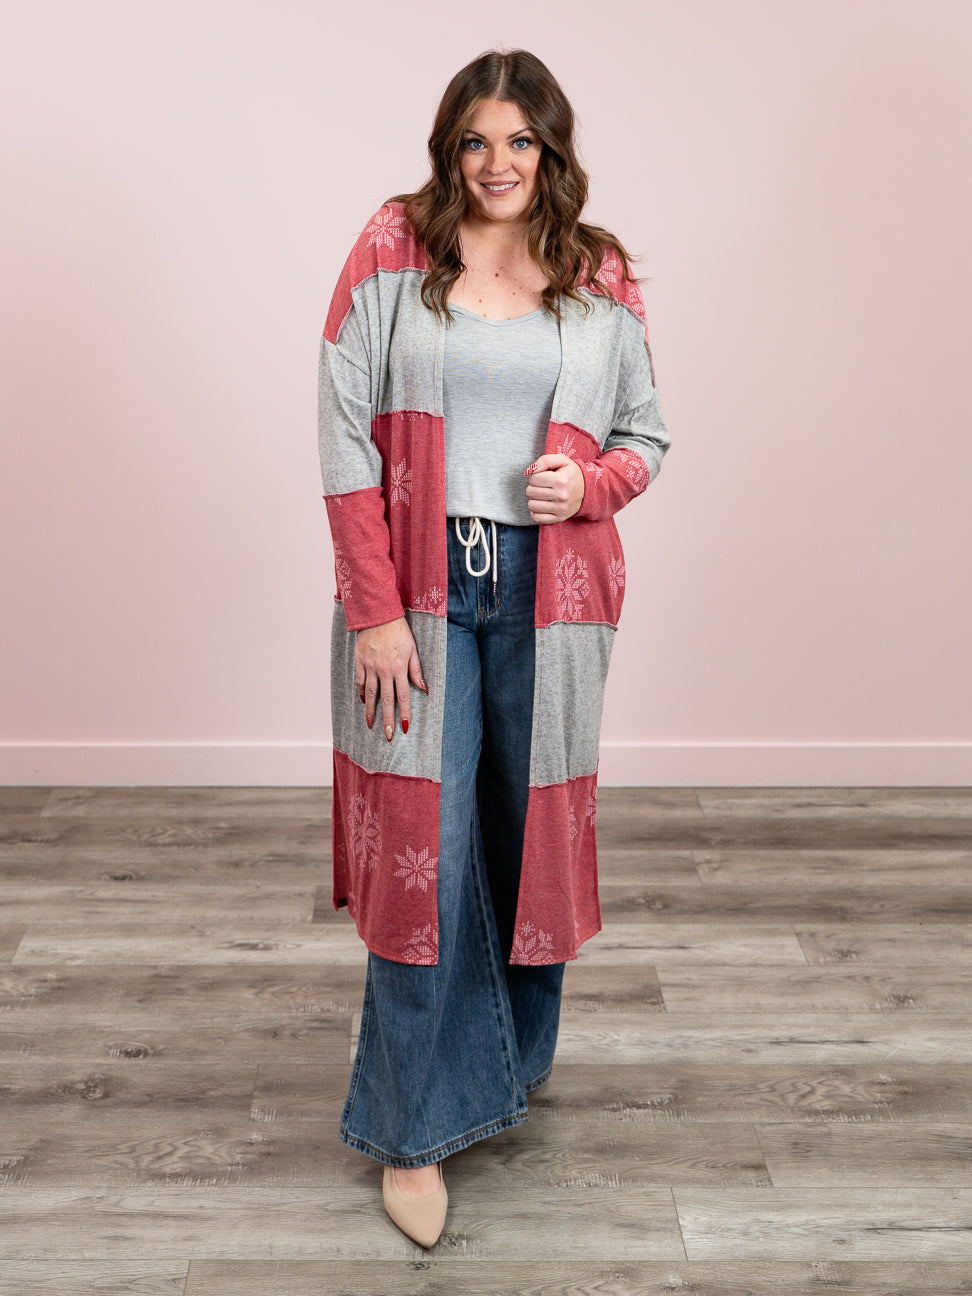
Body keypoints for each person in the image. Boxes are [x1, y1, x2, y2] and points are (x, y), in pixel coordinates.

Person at [317, 47, 671, 1248]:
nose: (497, 162)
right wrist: (373, 609)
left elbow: (646, 437)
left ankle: (509, 1060)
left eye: (520, 140)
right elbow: (343, 439)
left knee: (529, 835)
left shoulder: (597, 271)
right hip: (418, 589)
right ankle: (411, 1131)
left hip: (552, 593)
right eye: (476, 140)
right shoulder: (393, 247)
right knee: (426, 852)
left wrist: (592, 485)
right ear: (449, 149)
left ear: (550, 150)